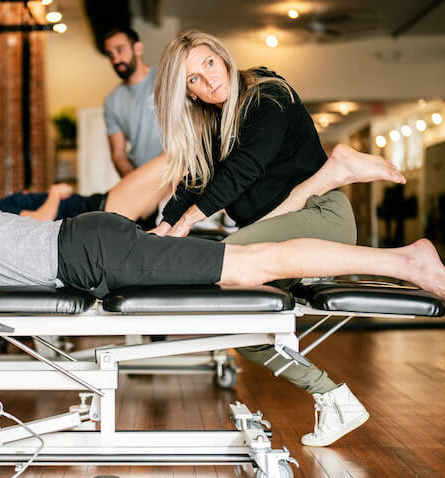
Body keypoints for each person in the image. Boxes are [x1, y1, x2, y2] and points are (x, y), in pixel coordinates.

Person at [0, 141, 445, 446]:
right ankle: (351, 227)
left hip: (88, 252)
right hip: (87, 242)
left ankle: (404, 259)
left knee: (251, 266)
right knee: (243, 264)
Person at [150, 30, 411, 446]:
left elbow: (242, 171)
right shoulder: (214, 121)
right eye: (193, 81)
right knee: (239, 326)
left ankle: (341, 172)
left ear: (223, 57)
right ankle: (335, 398)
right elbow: (198, 178)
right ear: (190, 95)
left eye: (209, 65)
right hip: (278, 231)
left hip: (318, 218)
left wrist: (183, 228)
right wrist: (165, 225)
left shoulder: (266, 98)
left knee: (212, 271)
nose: (208, 81)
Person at [0, 153, 169, 223]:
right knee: (173, 158)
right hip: (101, 210)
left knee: (175, 176)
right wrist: (54, 193)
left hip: (101, 207)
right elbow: (40, 220)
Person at [103, 28, 163, 178]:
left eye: (120, 50)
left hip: (180, 175)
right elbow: (118, 154)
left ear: (138, 48)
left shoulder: (165, 78)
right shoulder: (111, 101)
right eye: (110, 55)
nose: (115, 60)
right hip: (142, 178)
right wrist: (135, 183)